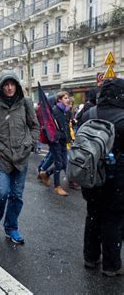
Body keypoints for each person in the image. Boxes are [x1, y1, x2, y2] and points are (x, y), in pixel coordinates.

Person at [0, 70, 39, 244]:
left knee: (17, 195)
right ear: (1, 86)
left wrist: (32, 142)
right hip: (1, 155)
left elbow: (34, 126)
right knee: (2, 192)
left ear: (17, 86)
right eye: (6, 84)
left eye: (12, 84)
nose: (9, 88)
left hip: (21, 155)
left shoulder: (26, 103)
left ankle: (11, 228)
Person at [78, 78, 124, 277]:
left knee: (93, 215)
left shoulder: (89, 114)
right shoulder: (123, 117)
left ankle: (90, 257)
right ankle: (111, 265)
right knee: (113, 220)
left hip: (90, 176)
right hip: (116, 180)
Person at [38, 91, 72, 196]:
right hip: (55, 141)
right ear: (59, 100)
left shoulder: (66, 111)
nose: (68, 100)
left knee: (64, 164)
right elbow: (50, 127)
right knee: (58, 163)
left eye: (68, 98)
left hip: (63, 141)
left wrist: (69, 138)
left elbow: (66, 126)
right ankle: (57, 186)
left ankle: (46, 173)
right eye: (65, 98)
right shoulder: (55, 111)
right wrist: (56, 137)